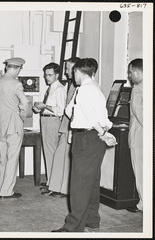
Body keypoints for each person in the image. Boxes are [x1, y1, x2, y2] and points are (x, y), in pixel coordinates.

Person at [52, 58, 117, 232]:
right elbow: (99, 116)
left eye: (73, 72)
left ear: (79, 72)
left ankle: (73, 226)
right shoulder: (96, 88)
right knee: (92, 183)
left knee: (79, 184)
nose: (73, 75)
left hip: (87, 138)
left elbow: (87, 115)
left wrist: (102, 133)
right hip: (95, 139)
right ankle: (91, 219)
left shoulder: (84, 90)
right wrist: (104, 132)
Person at [0, 57, 28, 199]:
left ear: (7, 67)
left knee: (1, 157)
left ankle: (0, 187)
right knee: (12, 158)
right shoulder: (16, 84)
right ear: (17, 69)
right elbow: (25, 103)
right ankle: (7, 191)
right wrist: (22, 116)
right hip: (13, 124)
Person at [42, 57, 79, 197]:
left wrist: (45, 106)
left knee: (59, 156)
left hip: (63, 124)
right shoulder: (68, 86)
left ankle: (59, 187)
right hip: (61, 124)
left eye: (69, 69)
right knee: (55, 155)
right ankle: (54, 184)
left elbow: (63, 109)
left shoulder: (63, 88)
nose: (66, 72)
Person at [32, 63, 67, 189]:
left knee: (52, 152)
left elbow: (61, 110)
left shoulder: (60, 89)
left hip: (53, 121)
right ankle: (50, 182)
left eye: (50, 75)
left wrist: (45, 106)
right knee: (48, 152)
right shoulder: (51, 88)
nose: (47, 77)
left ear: (57, 75)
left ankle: (54, 185)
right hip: (46, 120)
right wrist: (39, 108)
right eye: (46, 75)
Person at [126, 58, 143, 213]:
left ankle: (143, 203)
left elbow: (140, 115)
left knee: (140, 171)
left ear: (138, 72)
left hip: (139, 138)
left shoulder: (137, 89)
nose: (130, 76)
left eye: (131, 72)